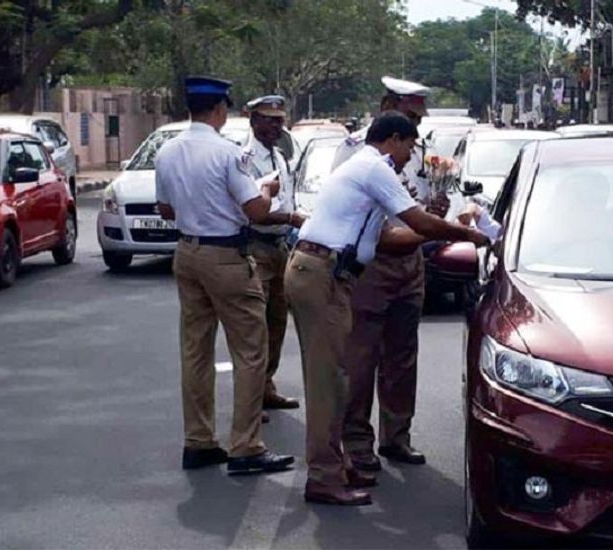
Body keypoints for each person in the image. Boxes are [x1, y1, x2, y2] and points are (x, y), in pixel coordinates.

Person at [286, 111, 490, 506]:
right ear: (392, 139)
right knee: (329, 381)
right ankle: (325, 477)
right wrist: (465, 232)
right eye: (408, 147)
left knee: (337, 376)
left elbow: (391, 231)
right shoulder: (374, 166)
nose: (408, 156)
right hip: (321, 271)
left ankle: (337, 464)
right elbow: (419, 223)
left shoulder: (365, 170)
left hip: (326, 270)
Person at [155, 76, 293, 475]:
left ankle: (198, 441)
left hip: (187, 251)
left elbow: (166, 210)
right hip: (226, 255)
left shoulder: (168, 151)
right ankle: (246, 446)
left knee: (195, 350)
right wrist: (265, 188)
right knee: (251, 350)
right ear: (219, 110)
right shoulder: (227, 153)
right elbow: (257, 212)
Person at [331, 76, 445, 473]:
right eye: (410, 115)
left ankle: (396, 437)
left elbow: (422, 200)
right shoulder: (356, 149)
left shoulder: (419, 148)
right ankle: (357, 442)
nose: (416, 125)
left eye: (418, 117)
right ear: (387, 106)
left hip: (410, 260)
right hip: (373, 261)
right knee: (361, 357)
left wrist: (440, 207)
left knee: (402, 356)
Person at [242, 95, 304, 411]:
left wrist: (297, 218)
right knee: (255, 328)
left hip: (280, 247)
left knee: (277, 321)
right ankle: (251, 400)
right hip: (256, 245)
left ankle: (266, 385)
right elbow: (253, 210)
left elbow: (288, 201)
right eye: (269, 120)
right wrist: (291, 218)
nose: (276, 127)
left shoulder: (279, 156)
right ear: (253, 121)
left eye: (279, 121)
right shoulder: (243, 157)